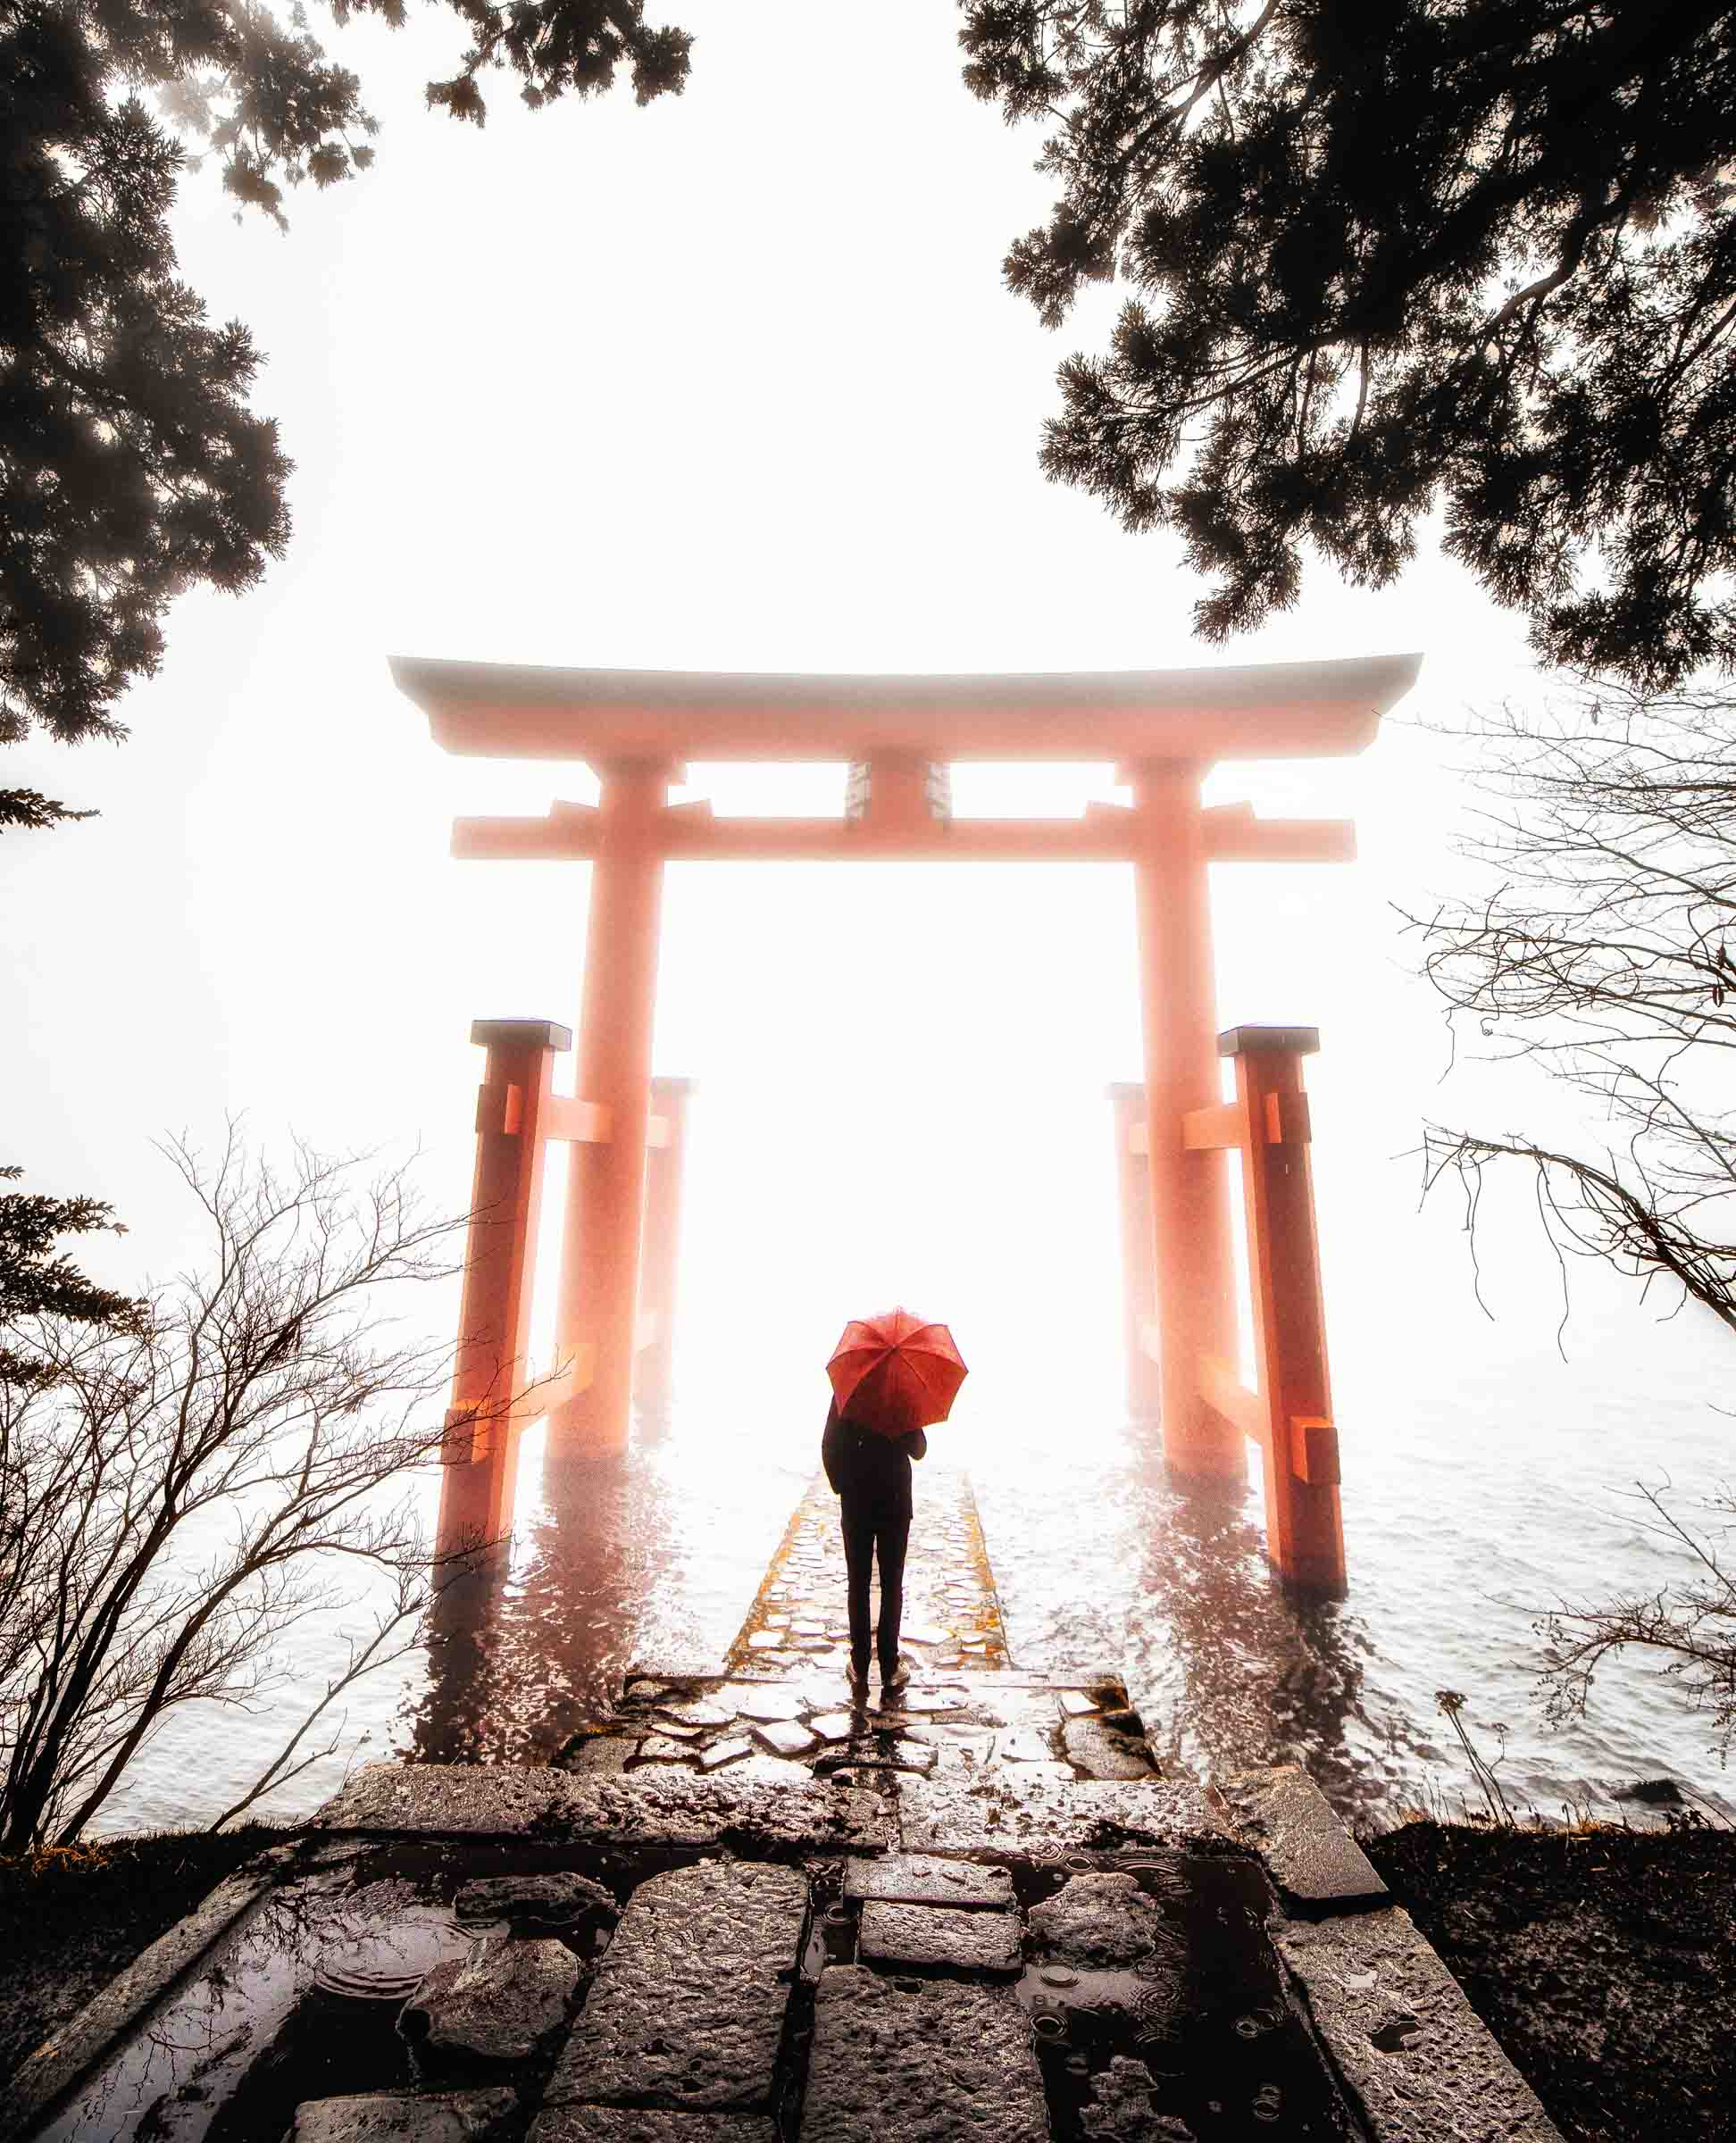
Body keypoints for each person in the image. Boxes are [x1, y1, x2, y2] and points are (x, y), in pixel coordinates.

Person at [822, 1396, 926, 1694]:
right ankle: (889, 1664)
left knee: (859, 1583)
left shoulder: (850, 1392)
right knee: (892, 1585)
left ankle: (860, 1662)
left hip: (857, 1502)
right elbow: (919, 1450)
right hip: (895, 1500)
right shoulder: (903, 1395)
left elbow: (829, 1445)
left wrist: (843, 1485)